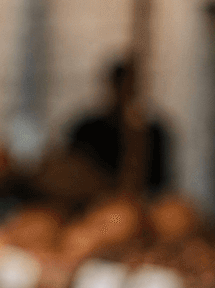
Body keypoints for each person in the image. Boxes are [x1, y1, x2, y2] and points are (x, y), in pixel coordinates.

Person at [67, 58, 170, 192]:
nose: (125, 93)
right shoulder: (87, 130)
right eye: (121, 86)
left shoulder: (153, 133)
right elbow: (73, 175)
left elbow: (160, 184)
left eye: (130, 87)